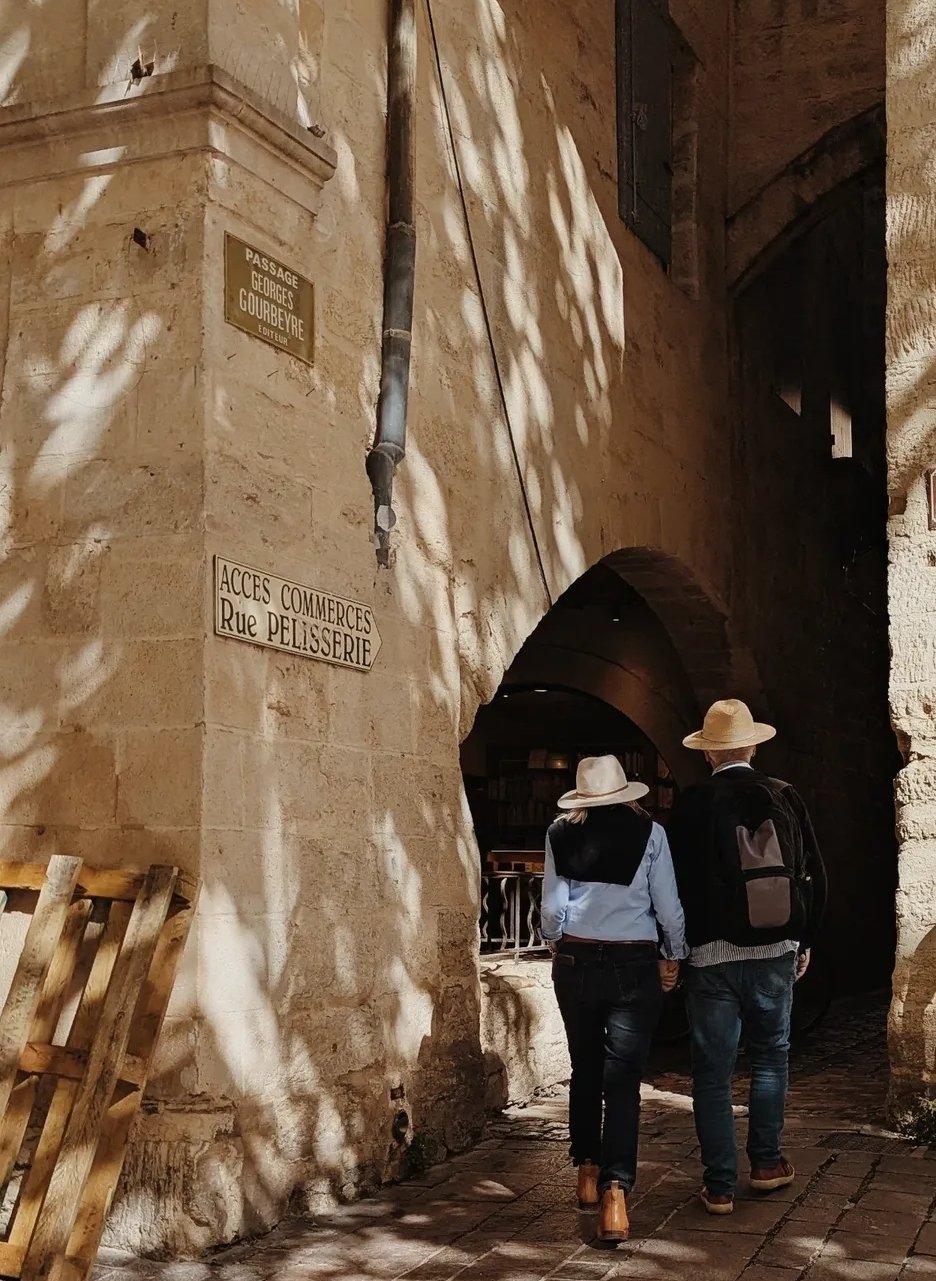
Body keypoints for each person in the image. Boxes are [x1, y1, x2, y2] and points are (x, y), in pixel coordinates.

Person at [666, 699, 828, 1215]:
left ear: (709, 754)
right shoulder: (783, 796)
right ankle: (766, 1163)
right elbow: (816, 875)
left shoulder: (691, 803)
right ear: (753, 745)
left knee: (711, 1071)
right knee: (770, 1057)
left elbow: (672, 886)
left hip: (709, 956)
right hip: (775, 949)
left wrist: (674, 948)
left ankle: (718, 1185)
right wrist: (804, 941)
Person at [540, 755, 687, 1243]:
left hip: (577, 963)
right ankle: (615, 1195)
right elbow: (667, 903)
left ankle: (585, 1171)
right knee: (622, 1079)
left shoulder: (560, 833)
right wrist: (673, 953)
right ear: (626, 791)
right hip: (632, 964)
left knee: (584, 1067)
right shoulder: (651, 835)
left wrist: (556, 939)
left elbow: (552, 906)